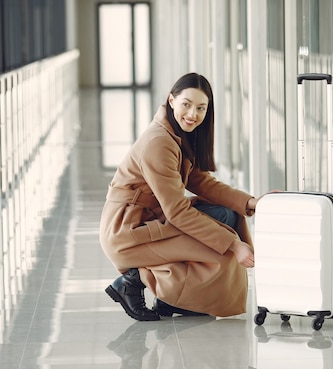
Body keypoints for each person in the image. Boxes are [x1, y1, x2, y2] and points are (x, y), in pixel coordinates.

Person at [99, 72, 265, 321]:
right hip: (128, 233)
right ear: (171, 100)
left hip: (150, 221)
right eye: (186, 104)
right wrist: (234, 245)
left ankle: (172, 298)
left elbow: (202, 183)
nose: (193, 114)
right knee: (221, 249)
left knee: (226, 216)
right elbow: (177, 212)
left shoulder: (177, 134)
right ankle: (133, 282)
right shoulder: (159, 143)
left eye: (201, 108)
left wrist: (251, 202)